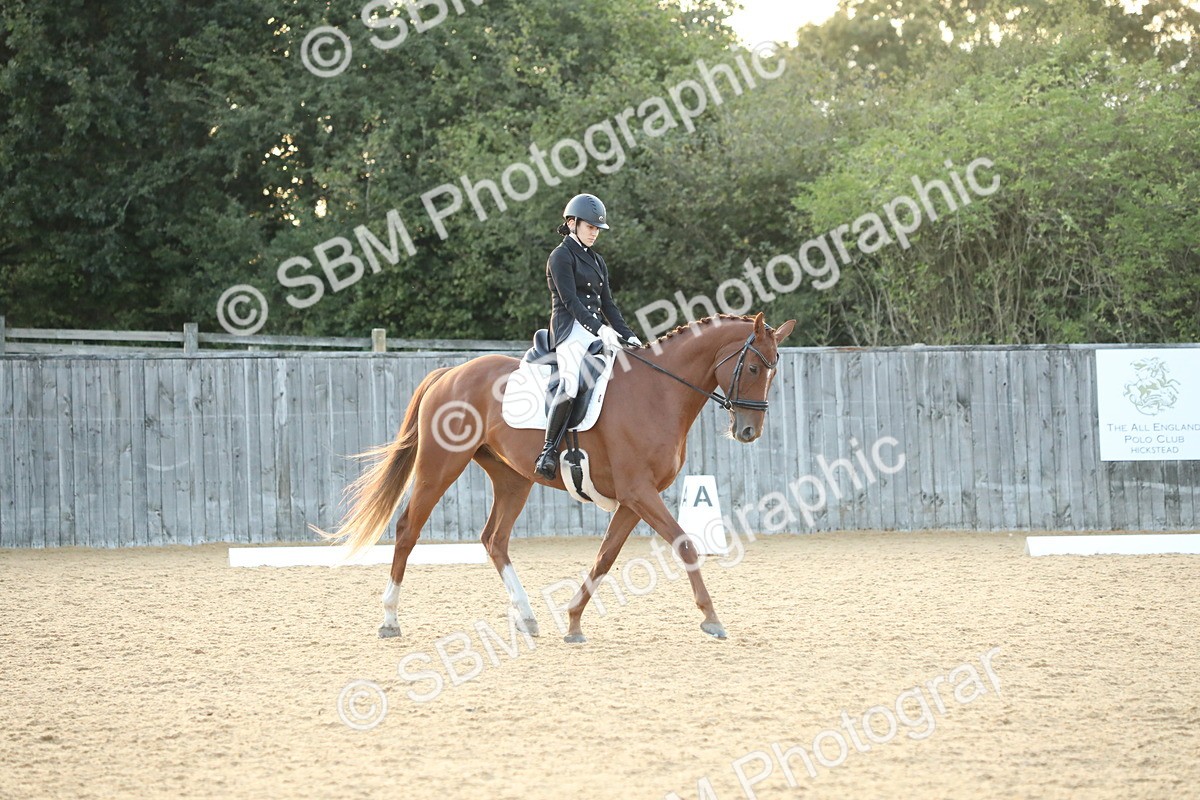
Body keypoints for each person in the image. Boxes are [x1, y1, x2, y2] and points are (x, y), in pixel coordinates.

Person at [533, 193, 642, 479]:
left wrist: (628, 335)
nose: (594, 232)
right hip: (569, 331)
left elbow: (608, 304)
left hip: (595, 331)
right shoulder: (560, 256)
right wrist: (600, 329)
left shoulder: (597, 260)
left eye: (597, 228)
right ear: (572, 223)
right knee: (570, 384)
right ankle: (548, 450)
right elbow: (571, 301)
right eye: (589, 227)